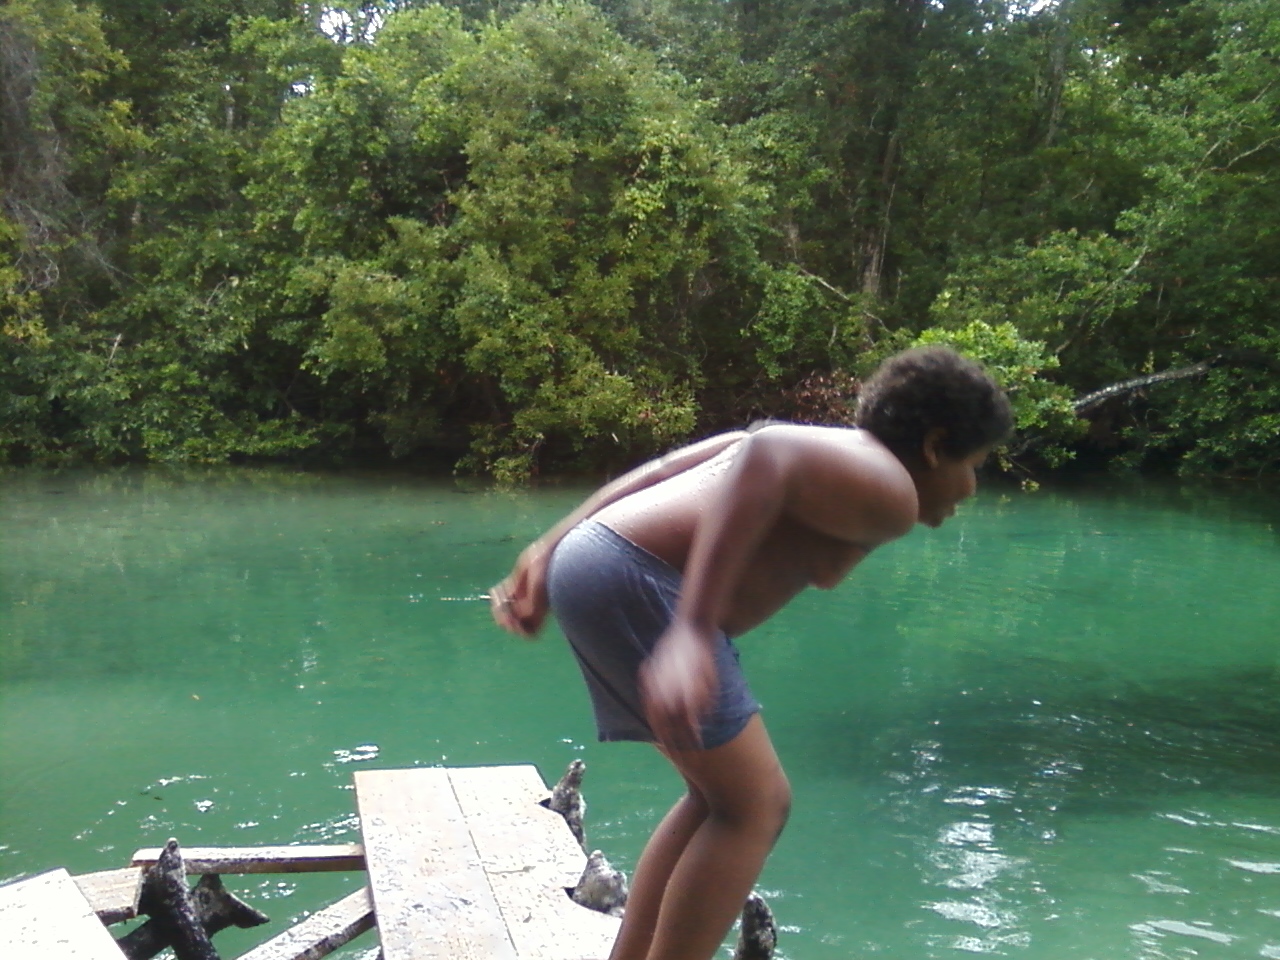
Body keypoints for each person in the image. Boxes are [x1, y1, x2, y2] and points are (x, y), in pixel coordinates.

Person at [489, 346, 1013, 960]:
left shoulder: (839, 457)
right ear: (935, 445)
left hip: (603, 560)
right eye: (976, 462)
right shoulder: (889, 483)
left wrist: (553, 546)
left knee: (718, 800)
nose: (973, 486)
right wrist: (690, 628)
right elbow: (767, 454)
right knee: (758, 806)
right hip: (639, 578)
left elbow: (681, 463)